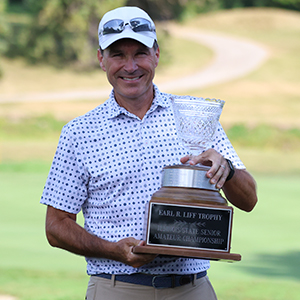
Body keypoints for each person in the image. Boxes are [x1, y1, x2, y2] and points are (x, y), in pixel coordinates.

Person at [40, 6, 258, 300]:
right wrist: (114, 250)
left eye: (140, 53)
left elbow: (249, 200)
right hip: (116, 288)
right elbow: (56, 227)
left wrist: (227, 170)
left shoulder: (195, 116)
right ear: (101, 60)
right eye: (118, 55)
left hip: (192, 289)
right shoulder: (79, 133)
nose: (130, 66)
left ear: (156, 54)